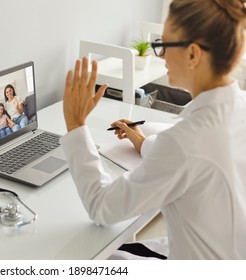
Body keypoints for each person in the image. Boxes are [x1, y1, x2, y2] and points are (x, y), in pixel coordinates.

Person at [60, 0, 246, 259]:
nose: (160, 55)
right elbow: (195, 163)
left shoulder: (186, 142)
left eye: (163, 45)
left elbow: (101, 207)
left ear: (193, 54)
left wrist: (76, 125)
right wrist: (144, 143)